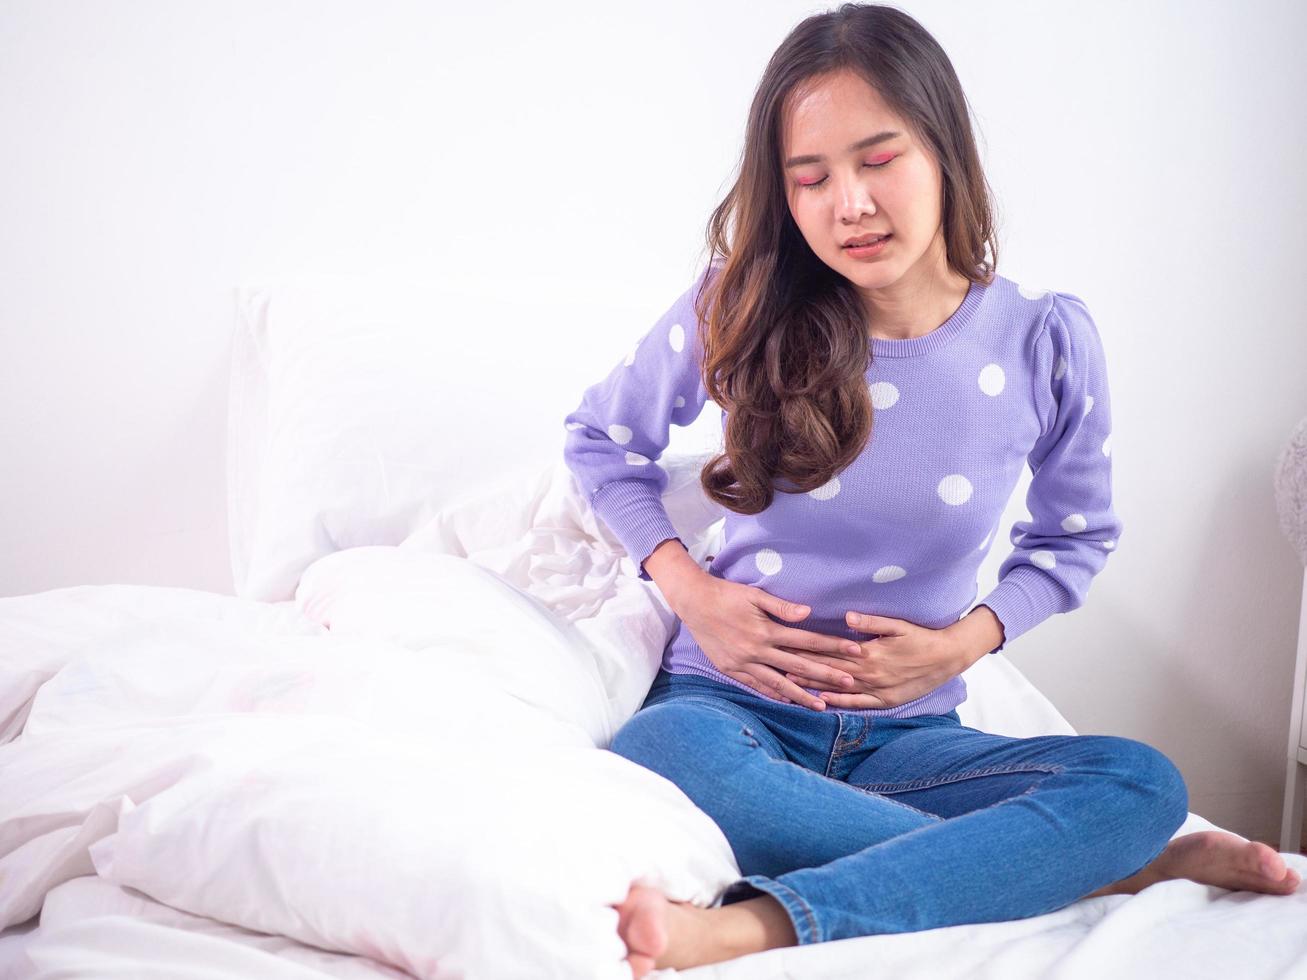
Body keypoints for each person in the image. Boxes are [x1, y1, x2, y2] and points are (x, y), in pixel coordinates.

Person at [561, 4, 1300, 975]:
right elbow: (598, 439)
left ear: (942, 148)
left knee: (1137, 782)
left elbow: (1071, 537)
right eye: (809, 177)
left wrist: (966, 639)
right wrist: (690, 590)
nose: (848, 203)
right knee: (659, 757)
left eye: (878, 158)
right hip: (728, 711)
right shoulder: (732, 303)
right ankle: (1073, 868)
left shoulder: (1042, 342)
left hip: (909, 738)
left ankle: (755, 921)